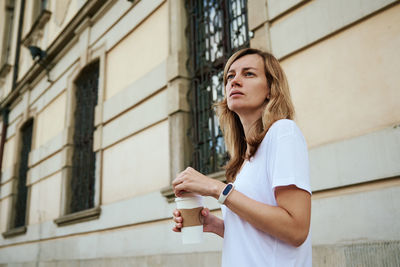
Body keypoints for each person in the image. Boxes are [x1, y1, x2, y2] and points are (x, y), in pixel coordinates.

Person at [172, 48, 312, 267]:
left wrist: (218, 189)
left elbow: (296, 230)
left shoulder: (283, 132)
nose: (235, 81)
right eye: (230, 76)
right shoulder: (245, 160)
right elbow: (258, 238)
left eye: (248, 74)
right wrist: (214, 224)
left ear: (270, 89)